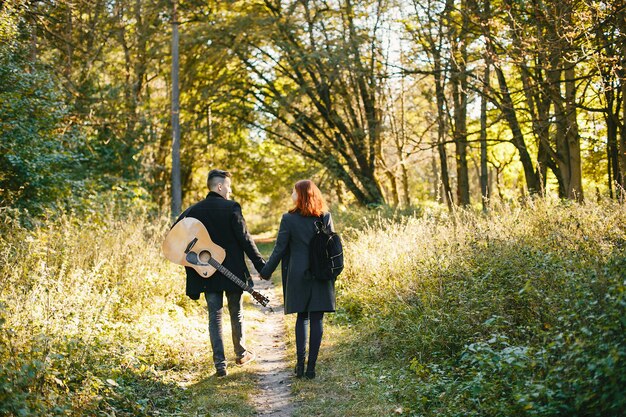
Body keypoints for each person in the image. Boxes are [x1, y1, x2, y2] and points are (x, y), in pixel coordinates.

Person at [173, 169, 266, 377]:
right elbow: (245, 239)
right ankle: (241, 354)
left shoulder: (194, 210)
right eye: (229, 187)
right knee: (236, 313)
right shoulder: (231, 207)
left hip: (206, 272)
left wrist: (192, 255)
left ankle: (220, 365)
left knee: (214, 316)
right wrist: (261, 266)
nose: (230, 192)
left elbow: (174, 234)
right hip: (232, 269)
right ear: (220, 187)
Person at [259, 180, 336, 379]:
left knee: (302, 318)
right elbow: (331, 246)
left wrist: (266, 271)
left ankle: (300, 366)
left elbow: (280, 248)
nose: (292, 195)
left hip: (298, 274)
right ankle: (311, 368)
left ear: (300, 195)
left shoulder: (289, 219)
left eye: (294, 192)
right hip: (321, 273)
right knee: (317, 318)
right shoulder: (325, 217)